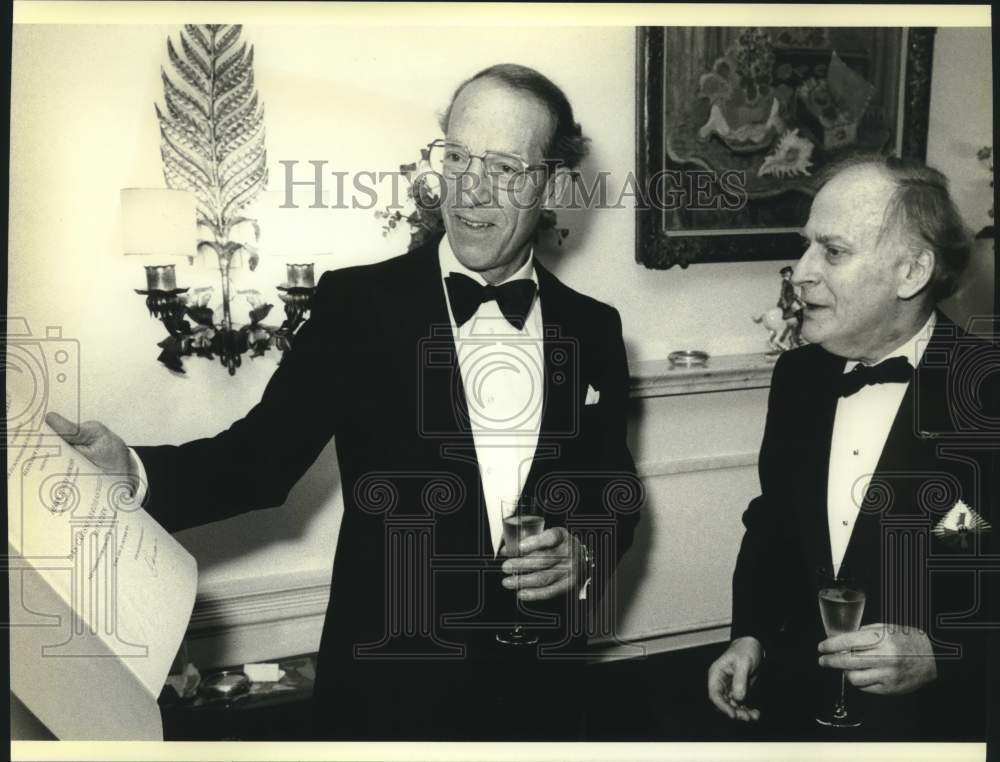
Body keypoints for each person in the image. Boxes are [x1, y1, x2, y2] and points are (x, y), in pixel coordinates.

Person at [47, 64, 641, 740]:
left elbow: (612, 483)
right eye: (457, 156)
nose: (469, 188)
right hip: (389, 697)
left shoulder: (594, 328)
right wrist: (131, 472)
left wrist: (587, 548)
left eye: (503, 166)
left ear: (552, 184)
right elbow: (258, 459)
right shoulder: (359, 305)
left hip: (541, 698)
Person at [707, 154, 997, 740]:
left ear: (911, 273)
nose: (802, 271)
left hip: (936, 728)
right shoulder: (797, 378)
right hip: (797, 707)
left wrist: (946, 652)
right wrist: (750, 633)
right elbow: (773, 523)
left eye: (833, 252)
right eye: (807, 245)